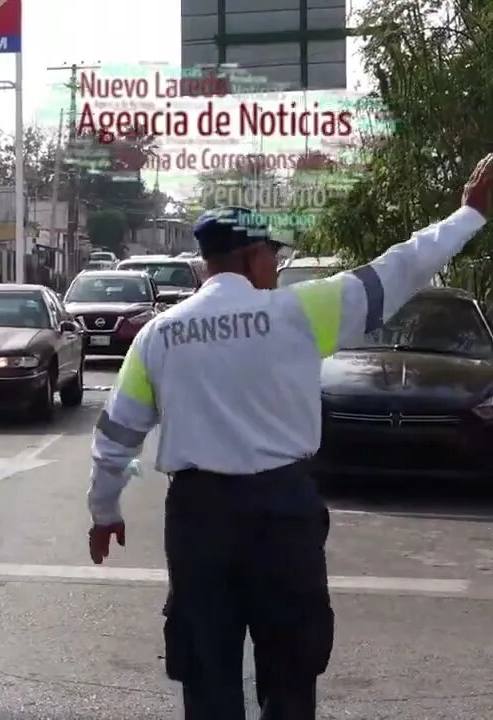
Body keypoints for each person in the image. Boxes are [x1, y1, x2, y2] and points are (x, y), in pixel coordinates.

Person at [84, 154, 493, 719]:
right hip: (284, 514)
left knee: (205, 674)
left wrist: (105, 511)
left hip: (199, 517)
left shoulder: (159, 335)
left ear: (206, 263)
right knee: (292, 673)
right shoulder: (301, 312)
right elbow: (400, 269)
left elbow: (115, 438)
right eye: (273, 257)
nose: (275, 268)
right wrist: (469, 214)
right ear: (254, 257)